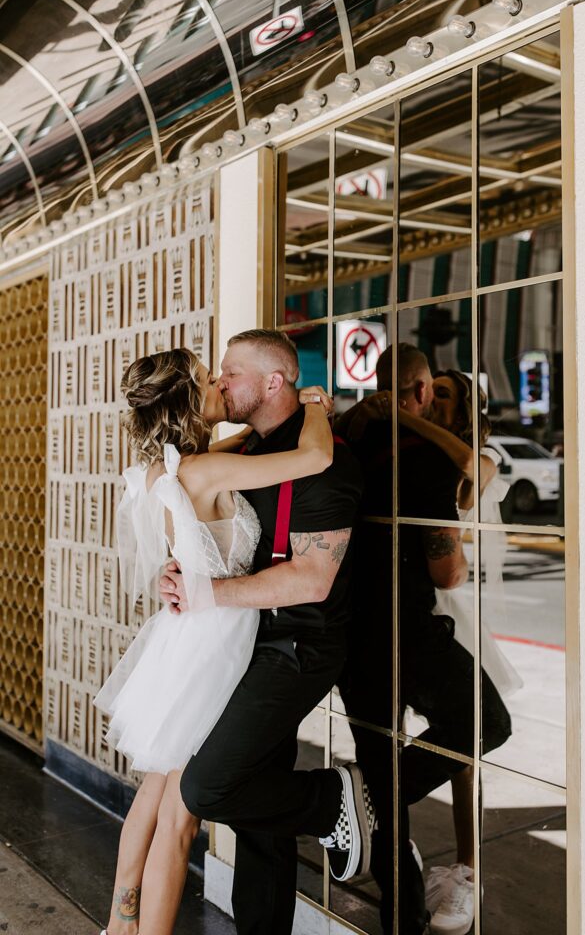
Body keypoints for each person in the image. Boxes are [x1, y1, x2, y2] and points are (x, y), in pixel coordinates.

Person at [95, 347, 337, 935]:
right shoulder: (206, 471)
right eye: (209, 380)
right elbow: (316, 457)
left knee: (153, 794)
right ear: (188, 400)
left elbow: (227, 454)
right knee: (179, 818)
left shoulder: (167, 467)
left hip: (183, 641)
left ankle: (120, 924)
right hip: (213, 649)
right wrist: (316, 405)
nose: (220, 386)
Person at [159, 329, 372, 935]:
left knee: (208, 788)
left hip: (299, 645)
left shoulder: (326, 463)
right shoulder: (246, 452)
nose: (221, 382)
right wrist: (179, 572)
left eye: (231, 371)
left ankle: (332, 800)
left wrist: (208, 595)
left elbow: (311, 580)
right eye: (218, 373)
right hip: (241, 640)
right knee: (257, 815)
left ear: (273, 382)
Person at [337, 343, 511, 935]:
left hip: (348, 629)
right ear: (418, 393)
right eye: (431, 391)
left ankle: (405, 909)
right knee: (482, 722)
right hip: (407, 623)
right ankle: (356, 797)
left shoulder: (348, 440)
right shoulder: (423, 456)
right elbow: (450, 571)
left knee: (386, 767)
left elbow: (479, 467)